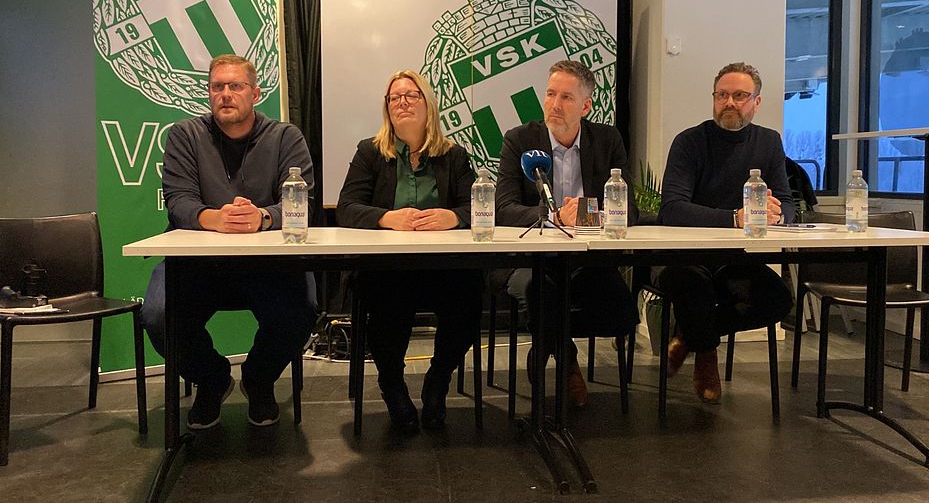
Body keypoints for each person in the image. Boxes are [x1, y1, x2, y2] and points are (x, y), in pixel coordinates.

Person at [142, 54, 318, 429]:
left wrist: (262, 217)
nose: (225, 94)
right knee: (157, 315)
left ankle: (258, 379)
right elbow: (179, 200)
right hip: (198, 266)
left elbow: (303, 202)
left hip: (267, 266)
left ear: (255, 92)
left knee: (302, 309)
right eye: (216, 87)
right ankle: (213, 379)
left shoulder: (286, 137)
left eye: (235, 86)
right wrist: (216, 219)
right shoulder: (184, 135)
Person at [337, 69, 482, 434]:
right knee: (386, 300)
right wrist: (387, 218)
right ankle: (393, 386)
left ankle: (438, 380)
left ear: (427, 104)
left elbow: (478, 209)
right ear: (387, 108)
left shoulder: (454, 155)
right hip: (388, 268)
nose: (402, 102)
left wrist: (452, 216)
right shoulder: (370, 151)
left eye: (411, 95)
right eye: (394, 98)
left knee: (469, 294)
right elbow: (347, 207)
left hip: (443, 267)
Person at [495, 59, 639, 408]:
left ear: (586, 106)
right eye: (550, 94)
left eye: (566, 98)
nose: (554, 105)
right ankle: (567, 359)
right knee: (540, 289)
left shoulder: (606, 140)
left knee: (622, 313)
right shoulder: (520, 139)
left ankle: (544, 347)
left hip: (586, 257)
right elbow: (503, 207)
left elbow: (628, 209)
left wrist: (587, 213)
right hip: (528, 257)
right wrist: (555, 215)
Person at [653, 61, 795, 404]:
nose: (729, 102)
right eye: (722, 95)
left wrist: (777, 216)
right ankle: (706, 358)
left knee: (777, 299)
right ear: (714, 98)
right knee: (694, 285)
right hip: (682, 257)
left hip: (733, 261)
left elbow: (787, 202)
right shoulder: (689, 142)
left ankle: (691, 337)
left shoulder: (769, 142)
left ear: (756, 103)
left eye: (740, 95)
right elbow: (671, 208)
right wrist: (735, 218)